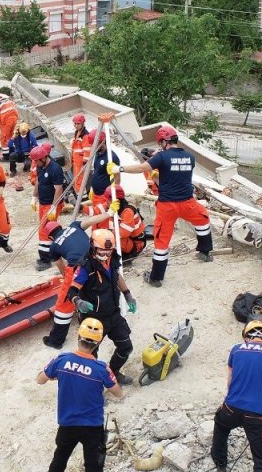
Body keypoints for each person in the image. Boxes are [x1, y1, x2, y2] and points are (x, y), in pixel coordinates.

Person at [110, 125, 213, 287]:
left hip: (168, 206)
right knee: (203, 220)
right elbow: (176, 177)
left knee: (161, 241)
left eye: (160, 144)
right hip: (188, 202)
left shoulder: (162, 157)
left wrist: (119, 168)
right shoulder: (190, 157)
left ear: (164, 142)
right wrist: (158, 176)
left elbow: (142, 168)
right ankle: (205, 252)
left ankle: (156, 277)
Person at [37, 318, 123, 472]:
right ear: (98, 343)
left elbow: (40, 380)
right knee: (94, 466)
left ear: (78, 337)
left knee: (59, 461)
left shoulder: (61, 361)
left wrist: (56, 375)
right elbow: (118, 393)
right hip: (93, 427)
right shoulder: (101, 369)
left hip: (67, 424)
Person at [210, 320, 262, 472]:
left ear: (246, 336)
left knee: (221, 425)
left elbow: (230, 382)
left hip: (231, 408)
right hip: (258, 415)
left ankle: (220, 464)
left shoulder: (236, 350)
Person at [67, 228, 137, 384]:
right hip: (93, 319)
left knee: (126, 347)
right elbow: (72, 290)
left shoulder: (111, 259)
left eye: (108, 251)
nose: (105, 255)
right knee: (89, 356)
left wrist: (127, 294)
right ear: (92, 246)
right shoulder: (86, 267)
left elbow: (116, 276)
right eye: (102, 251)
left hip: (113, 314)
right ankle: (93, 385)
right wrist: (79, 302)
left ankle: (113, 373)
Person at [40, 213, 121, 349]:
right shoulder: (74, 226)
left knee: (64, 305)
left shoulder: (54, 246)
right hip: (97, 259)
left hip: (77, 267)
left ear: (50, 237)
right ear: (61, 226)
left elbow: (62, 268)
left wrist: (68, 284)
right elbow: (91, 220)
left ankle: (56, 340)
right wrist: (109, 213)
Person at [31, 143, 67, 268]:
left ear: (43, 158)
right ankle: (52, 254)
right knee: (46, 230)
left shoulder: (55, 169)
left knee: (44, 231)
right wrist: (34, 197)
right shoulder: (40, 167)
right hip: (43, 202)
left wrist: (53, 206)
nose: (35, 163)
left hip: (51, 204)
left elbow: (58, 189)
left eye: (36, 161)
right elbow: (38, 182)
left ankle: (45, 259)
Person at [0, 88, 19, 157]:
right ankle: (12, 151)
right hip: (14, 118)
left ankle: (6, 156)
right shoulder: (7, 99)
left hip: (6, 120)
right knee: (10, 136)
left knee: (4, 138)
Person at [69, 114, 91, 195]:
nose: (76, 125)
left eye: (78, 124)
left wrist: (85, 164)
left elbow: (87, 150)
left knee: (80, 180)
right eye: (75, 123)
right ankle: (79, 194)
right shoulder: (77, 133)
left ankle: (82, 195)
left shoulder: (85, 136)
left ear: (82, 124)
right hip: (76, 162)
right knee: (77, 179)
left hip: (81, 162)